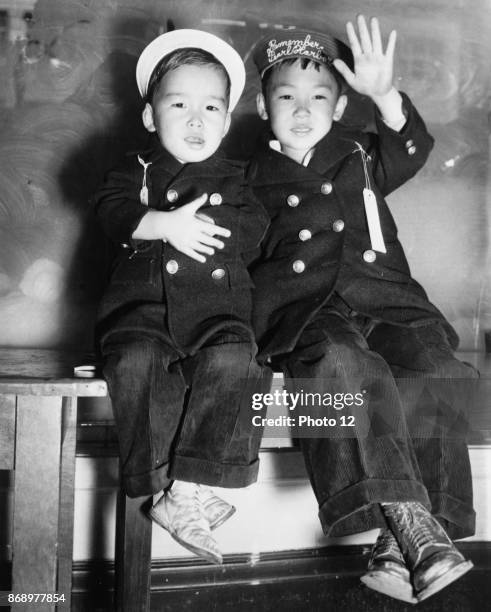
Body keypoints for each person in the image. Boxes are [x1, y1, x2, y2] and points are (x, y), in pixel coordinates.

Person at [248, 16, 476, 603]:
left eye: (320, 96)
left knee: (437, 365)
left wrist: (386, 97)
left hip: (387, 299)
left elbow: (411, 147)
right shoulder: (246, 176)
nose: (304, 109)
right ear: (260, 104)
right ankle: (405, 518)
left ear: (341, 103)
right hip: (309, 309)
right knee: (339, 366)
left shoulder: (361, 153)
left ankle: (418, 539)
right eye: (287, 97)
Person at [94, 29, 269, 564]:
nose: (197, 119)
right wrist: (162, 224)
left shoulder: (240, 178)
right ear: (150, 117)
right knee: (136, 359)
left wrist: (215, 225)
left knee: (238, 361)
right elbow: (110, 208)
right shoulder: (136, 170)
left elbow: (256, 227)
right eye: (179, 104)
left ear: (227, 118)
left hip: (217, 311)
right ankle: (168, 486)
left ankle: (187, 487)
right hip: (142, 308)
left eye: (212, 107)